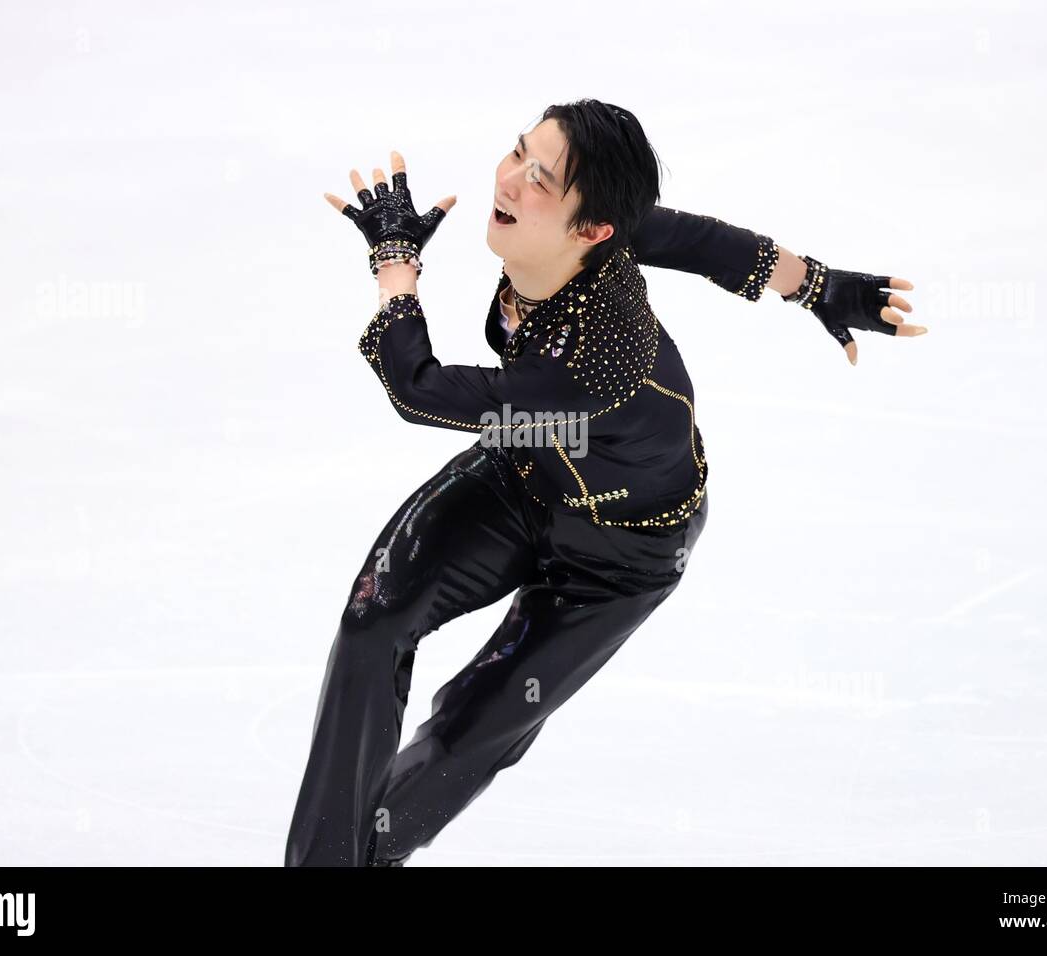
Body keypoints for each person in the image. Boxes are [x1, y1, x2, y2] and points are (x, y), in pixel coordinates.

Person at [284, 99, 926, 867]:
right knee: (373, 623)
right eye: (519, 152)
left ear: (592, 230)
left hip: (621, 559)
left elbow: (416, 390)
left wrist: (396, 267)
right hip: (526, 479)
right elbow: (717, 248)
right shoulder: (607, 222)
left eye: (540, 179)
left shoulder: (590, 373)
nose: (512, 181)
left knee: (474, 727)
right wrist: (818, 285)